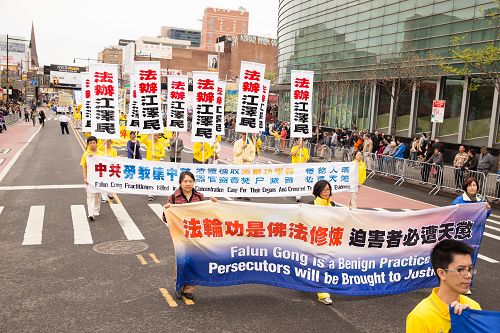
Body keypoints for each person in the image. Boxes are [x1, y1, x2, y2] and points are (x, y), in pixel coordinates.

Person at [163, 171, 217, 300]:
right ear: (180, 183)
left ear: (194, 182)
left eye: (190, 181)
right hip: (180, 234)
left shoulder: (199, 196)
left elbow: (205, 214)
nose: (188, 184)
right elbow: (166, 219)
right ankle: (179, 286)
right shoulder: (174, 198)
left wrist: (214, 204)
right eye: (185, 181)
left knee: (193, 260)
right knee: (181, 261)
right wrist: (166, 209)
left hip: (195, 234)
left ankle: (189, 289)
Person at [406, 239, 481, 333]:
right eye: (461, 269)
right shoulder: (420, 317)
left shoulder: (473, 307)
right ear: (442, 273)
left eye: (470, 269)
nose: (469, 275)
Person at [310, 180, 335, 305]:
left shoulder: (333, 206)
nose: (326, 192)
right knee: (320, 265)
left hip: (330, 240)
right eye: (324, 190)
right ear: (318, 191)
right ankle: (323, 294)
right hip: (314, 241)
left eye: (328, 189)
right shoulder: (311, 205)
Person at [80, 136, 104, 221]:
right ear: (88, 144)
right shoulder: (86, 154)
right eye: (90, 143)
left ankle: (96, 209)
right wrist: (85, 178)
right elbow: (84, 167)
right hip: (90, 179)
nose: (92, 144)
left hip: (99, 178)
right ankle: (90, 213)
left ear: (96, 143)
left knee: (97, 195)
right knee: (90, 196)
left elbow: (105, 166)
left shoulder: (101, 154)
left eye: (94, 142)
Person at [141, 134, 166, 201]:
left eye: (157, 135)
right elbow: (142, 140)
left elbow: (163, 154)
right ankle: (150, 194)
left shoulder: (160, 145)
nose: (156, 137)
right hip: (149, 164)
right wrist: (148, 134)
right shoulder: (149, 143)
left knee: (155, 179)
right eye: (154, 135)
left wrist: (156, 155)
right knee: (149, 179)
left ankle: (153, 191)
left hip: (156, 164)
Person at [291, 138, 310, 202]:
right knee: (294, 181)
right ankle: (293, 191)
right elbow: (293, 154)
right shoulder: (294, 148)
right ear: (297, 142)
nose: (301, 142)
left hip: (301, 169)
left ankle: (298, 196)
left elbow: (306, 158)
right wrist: (298, 148)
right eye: (300, 140)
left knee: (299, 181)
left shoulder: (305, 150)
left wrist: (302, 165)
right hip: (294, 168)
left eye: (302, 141)